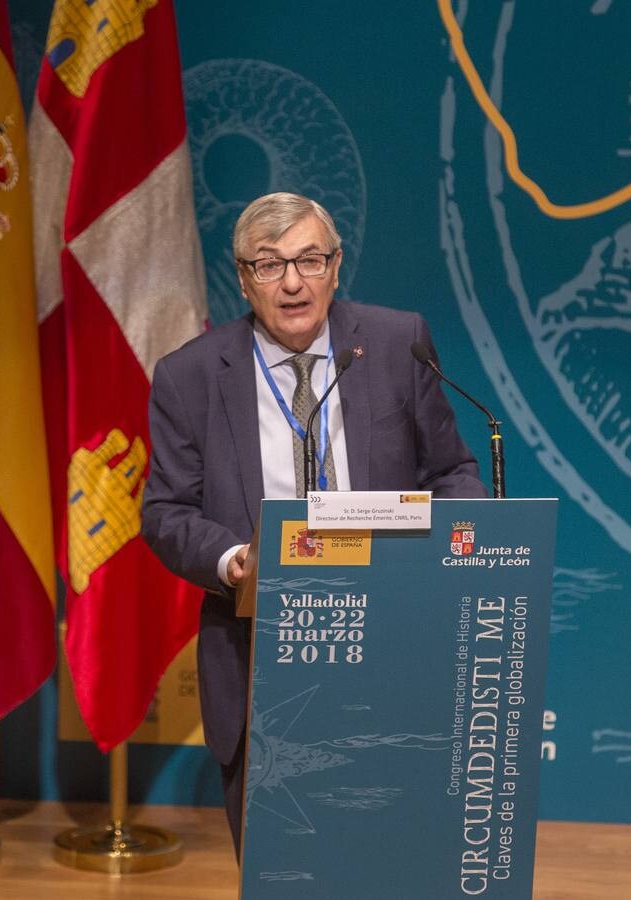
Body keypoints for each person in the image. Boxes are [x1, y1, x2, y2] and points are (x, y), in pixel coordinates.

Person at [141, 192, 487, 854]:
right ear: (243, 278)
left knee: (395, 864)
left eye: (309, 259)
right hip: (261, 654)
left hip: (396, 642)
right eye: (270, 265)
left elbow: (452, 472)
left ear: (336, 264)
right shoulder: (188, 376)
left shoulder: (395, 344)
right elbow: (165, 512)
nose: (293, 282)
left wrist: (459, 548)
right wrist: (233, 558)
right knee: (285, 867)